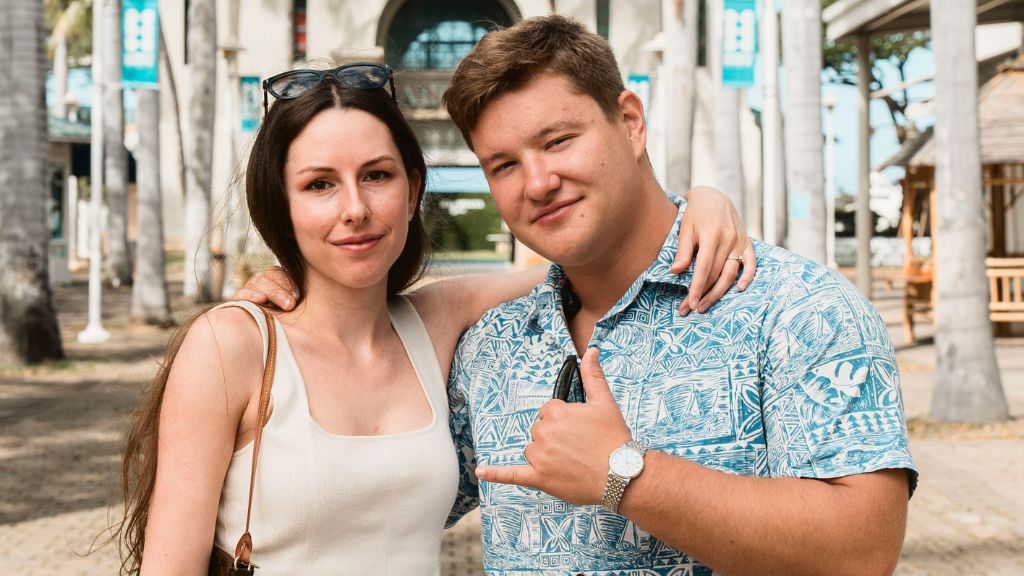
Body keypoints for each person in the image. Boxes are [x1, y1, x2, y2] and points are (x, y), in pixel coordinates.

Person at [115, 61, 754, 574]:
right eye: (319, 185)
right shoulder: (232, 345)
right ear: (279, 205)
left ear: (414, 187)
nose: (355, 209)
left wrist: (698, 204)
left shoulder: (437, 323)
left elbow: (590, 257)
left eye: (377, 175)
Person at [436, 15, 917, 575]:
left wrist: (625, 475)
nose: (538, 181)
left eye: (559, 140)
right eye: (505, 165)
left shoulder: (796, 308)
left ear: (631, 122)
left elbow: (862, 552)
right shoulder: (491, 345)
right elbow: (381, 501)